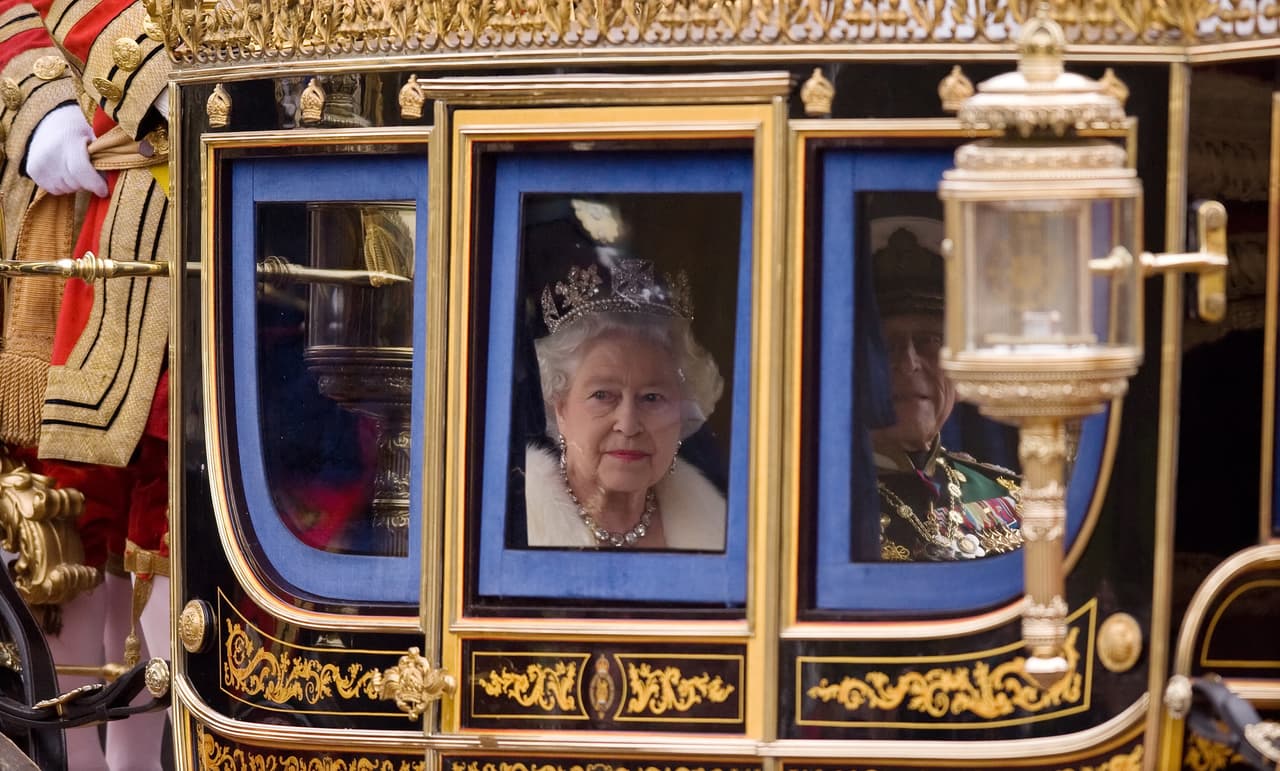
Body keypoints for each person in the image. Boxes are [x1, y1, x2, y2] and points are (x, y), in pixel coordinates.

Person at [526, 258, 726, 550]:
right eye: (603, 395)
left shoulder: (717, 534)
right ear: (560, 406)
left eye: (652, 398)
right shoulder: (516, 526)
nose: (629, 425)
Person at [870, 227, 1024, 562]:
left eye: (931, 341)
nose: (909, 364)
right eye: (887, 346)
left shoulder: (1015, 499)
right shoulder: (809, 506)